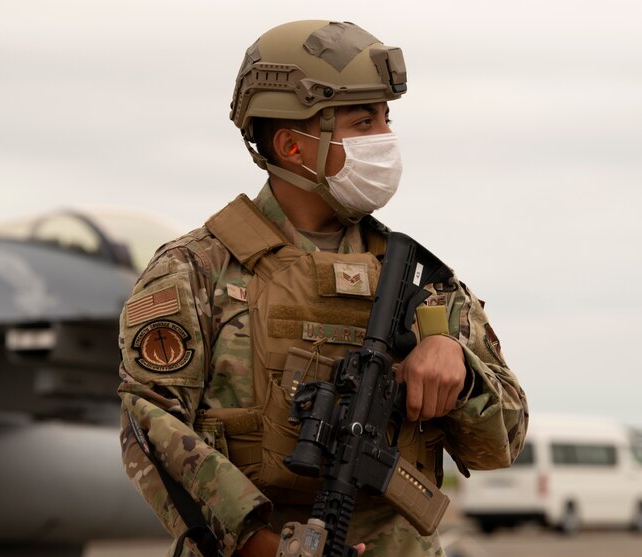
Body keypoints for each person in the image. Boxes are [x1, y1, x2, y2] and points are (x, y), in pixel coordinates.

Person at [118, 19, 528, 557]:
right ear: (292, 145)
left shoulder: (422, 282)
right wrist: (257, 544)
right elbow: (148, 425)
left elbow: (503, 442)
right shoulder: (196, 270)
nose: (385, 138)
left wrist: (457, 367)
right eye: (364, 121)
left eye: (386, 117)